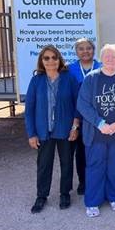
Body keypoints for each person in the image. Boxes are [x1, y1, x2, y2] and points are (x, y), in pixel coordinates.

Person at [76, 44, 115, 217]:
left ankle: (114, 197)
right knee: (95, 166)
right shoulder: (91, 78)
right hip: (97, 133)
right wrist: (100, 123)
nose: (110, 60)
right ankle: (93, 202)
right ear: (101, 59)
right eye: (107, 56)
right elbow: (82, 104)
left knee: (114, 167)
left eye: (114, 57)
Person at [25, 45, 80, 213]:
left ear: (59, 60)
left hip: (65, 130)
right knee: (43, 164)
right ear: (41, 61)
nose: (50, 61)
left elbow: (78, 106)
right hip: (43, 131)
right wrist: (31, 134)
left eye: (54, 57)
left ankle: (65, 193)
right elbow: (29, 110)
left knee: (67, 163)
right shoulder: (36, 81)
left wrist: (75, 127)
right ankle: (41, 196)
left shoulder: (69, 78)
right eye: (46, 58)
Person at [66, 38, 100, 195]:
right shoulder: (69, 69)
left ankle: (97, 180)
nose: (85, 51)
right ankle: (83, 181)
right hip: (78, 117)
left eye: (88, 48)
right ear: (76, 51)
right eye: (81, 48)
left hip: (99, 117)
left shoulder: (102, 66)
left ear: (93, 50)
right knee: (81, 151)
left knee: (97, 150)